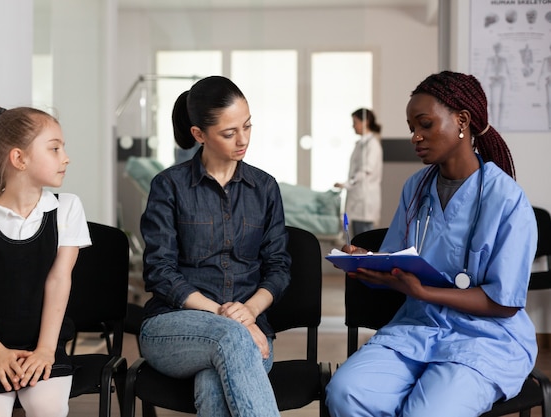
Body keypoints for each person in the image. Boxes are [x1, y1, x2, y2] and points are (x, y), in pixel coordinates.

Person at [326, 70, 538, 417]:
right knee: (347, 394)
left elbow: (504, 303)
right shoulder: (416, 187)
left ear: (462, 121)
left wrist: (424, 292)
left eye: (424, 124)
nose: (415, 137)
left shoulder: (506, 200)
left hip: (484, 338)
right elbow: (397, 257)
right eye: (412, 128)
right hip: (417, 327)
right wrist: (368, 260)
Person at [139, 75, 291, 417]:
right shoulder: (169, 186)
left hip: (250, 326)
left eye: (248, 127)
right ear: (198, 135)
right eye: (229, 133)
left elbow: (279, 267)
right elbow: (160, 272)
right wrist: (230, 319)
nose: (243, 140)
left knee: (212, 385)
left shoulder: (265, 188)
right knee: (232, 340)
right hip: (173, 326)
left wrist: (250, 311)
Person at [0, 106, 91, 417]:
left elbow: (59, 279)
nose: (66, 157)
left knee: (47, 407)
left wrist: (46, 350)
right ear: (19, 158)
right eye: (54, 148)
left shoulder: (68, 209)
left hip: (43, 341)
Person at [334, 108, 383, 237]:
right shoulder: (361, 144)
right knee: (358, 239)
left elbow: (366, 171)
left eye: (355, 122)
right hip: (358, 199)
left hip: (365, 201)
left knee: (364, 241)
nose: (353, 126)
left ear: (365, 122)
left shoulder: (372, 144)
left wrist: (347, 184)